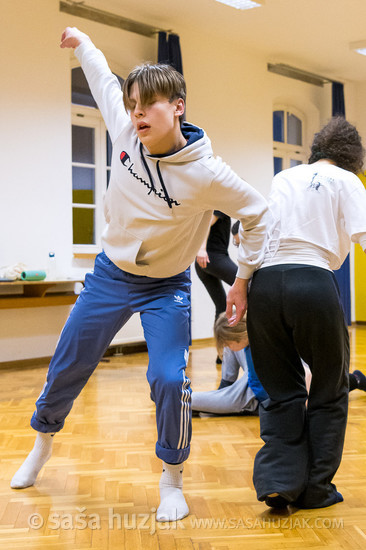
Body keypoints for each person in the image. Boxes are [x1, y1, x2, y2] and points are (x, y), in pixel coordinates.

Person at [10, 27, 269, 522]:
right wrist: (82, 42)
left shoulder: (207, 172)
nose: (136, 113)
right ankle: (42, 444)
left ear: (178, 107)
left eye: (148, 104)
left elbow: (259, 211)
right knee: (68, 361)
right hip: (110, 273)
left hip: (166, 286)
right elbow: (101, 77)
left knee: (170, 379)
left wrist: (244, 277)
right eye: (133, 104)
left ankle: (171, 477)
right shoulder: (125, 130)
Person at [244, 116, 366, 510]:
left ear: (317, 149)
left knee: (281, 392)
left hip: (264, 284)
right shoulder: (349, 181)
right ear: (353, 157)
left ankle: (278, 482)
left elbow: (257, 232)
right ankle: (316, 489)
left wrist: (241, 282)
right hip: (312, 283)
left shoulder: (284, 177)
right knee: (330, 389)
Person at [192, 313, 366, 416]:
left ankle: (356, 379)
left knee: (325, 389)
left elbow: (304, 374)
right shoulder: (241, 342)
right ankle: (218, 393)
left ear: (240, 336)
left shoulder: (269, 342)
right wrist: (223, 394)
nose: (226, 348)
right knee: (227, 337)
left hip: (281, 388)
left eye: (229, 343)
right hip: (249, 390)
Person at [191, 312, 268, 415]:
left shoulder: (259, 352)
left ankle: (182, 399)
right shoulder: (249, 336)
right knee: (226, 329)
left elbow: (261, 389)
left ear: (238, 337)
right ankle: (225, 385)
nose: (225, 346)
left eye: (227, 343)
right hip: (253, 382)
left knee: (192, 399)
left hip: (253, 396)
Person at [194, 211, 237, 325]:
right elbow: (207, 223)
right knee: (251, 285)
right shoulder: (219, 203)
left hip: (203, 263)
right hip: (213, 258)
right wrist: (201, 249)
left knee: (221, 305)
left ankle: (222, 342)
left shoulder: (209, 207)